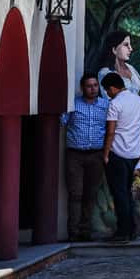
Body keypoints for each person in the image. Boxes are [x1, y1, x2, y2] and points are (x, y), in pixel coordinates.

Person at [61, 73, 109, 241]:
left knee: (91, 194)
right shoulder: (73, 105)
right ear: (82, 88)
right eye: (89, 86)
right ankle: (73, 233)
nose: (93, 89)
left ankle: (85, 231)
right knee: (75, 194)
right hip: (75, 155)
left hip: (96, 155)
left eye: (95, 85)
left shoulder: (105, 105)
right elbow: (62, 121)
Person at [101, 72, 140, 242]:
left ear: (113, 88)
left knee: (119, 193)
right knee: (127, 193)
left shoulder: (115, 104)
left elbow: (111, 131)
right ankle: (132, 229)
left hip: (117, 154)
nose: (108, 94)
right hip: (133, 154)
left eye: (107, 90)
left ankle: (123, 232)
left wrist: (106, 154)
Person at [98, 31, 140, 98]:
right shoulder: (105, 73)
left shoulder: (131, 68)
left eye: (130, 45)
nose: (131, 49)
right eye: (126, 45)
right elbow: (109, 99)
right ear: (114, 50)